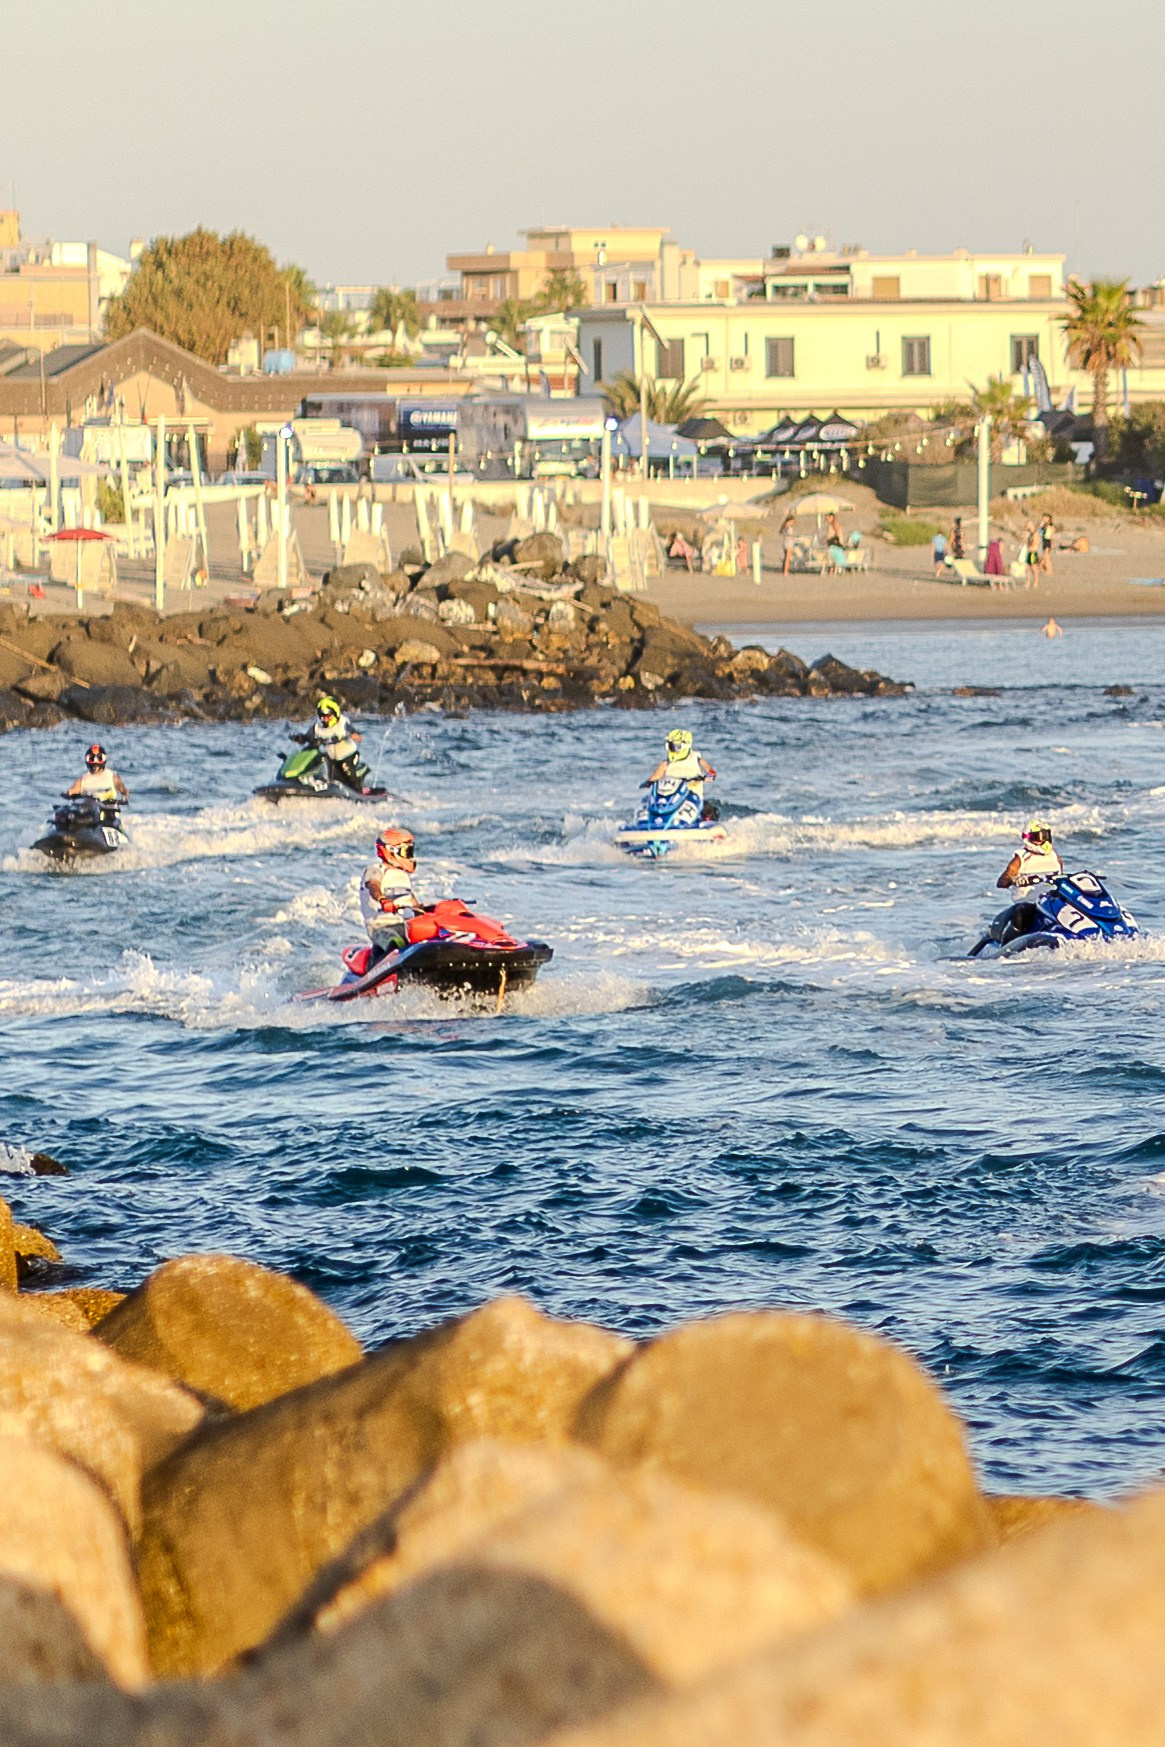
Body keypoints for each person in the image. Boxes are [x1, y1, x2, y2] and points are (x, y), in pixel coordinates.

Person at [360, 828, 421, 959]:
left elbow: (414, 904)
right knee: (394, 941)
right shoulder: (375, 870)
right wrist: (383, 900)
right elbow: (373, 886)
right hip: (382, 926)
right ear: (391, 851)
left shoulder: (403, 877)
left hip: (405, 925)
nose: (410, 856)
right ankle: (379, 965)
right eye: (407, 851)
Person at [295, 695, 371, 791]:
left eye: (327, 716)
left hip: (346, 756)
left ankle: (359, 792)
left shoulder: (343, 723)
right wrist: (300, 738)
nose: (325, 719)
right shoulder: (317, 727)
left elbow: (357, 736)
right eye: (322, 717)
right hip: (330, 758)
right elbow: (307, 737)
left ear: (335, 713)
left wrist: (349, 735)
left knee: (346, 771)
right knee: (318, 764)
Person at [645, 729, 717, 805]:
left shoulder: (696, 758)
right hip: (670, 797)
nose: (674, 750)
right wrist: (648, 783)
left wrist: (704, 778)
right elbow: (655, 777)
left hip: (692, 797)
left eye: (676, 747)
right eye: (671, 746)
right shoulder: (667, 763)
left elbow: (711, 772)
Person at [997, 819, 1064, 890]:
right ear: (1029, 838)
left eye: (1046, 836)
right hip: (1026, 900)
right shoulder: (1021, 858)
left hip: (1051, 898)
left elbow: (1061, 877)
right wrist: (1014, 881)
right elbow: (1001, 882)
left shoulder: (1054, 856)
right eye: (1040, 836)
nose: (1044, 840)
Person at [66, 744, 129, 809]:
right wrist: (68, 793)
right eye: (91, 758)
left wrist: (124, 799)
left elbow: (124, 791)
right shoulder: (83, 780)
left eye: (99, 758)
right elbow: (73, 790)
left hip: (110, 812)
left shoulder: (112, 777)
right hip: (90, 813)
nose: (95, 761)